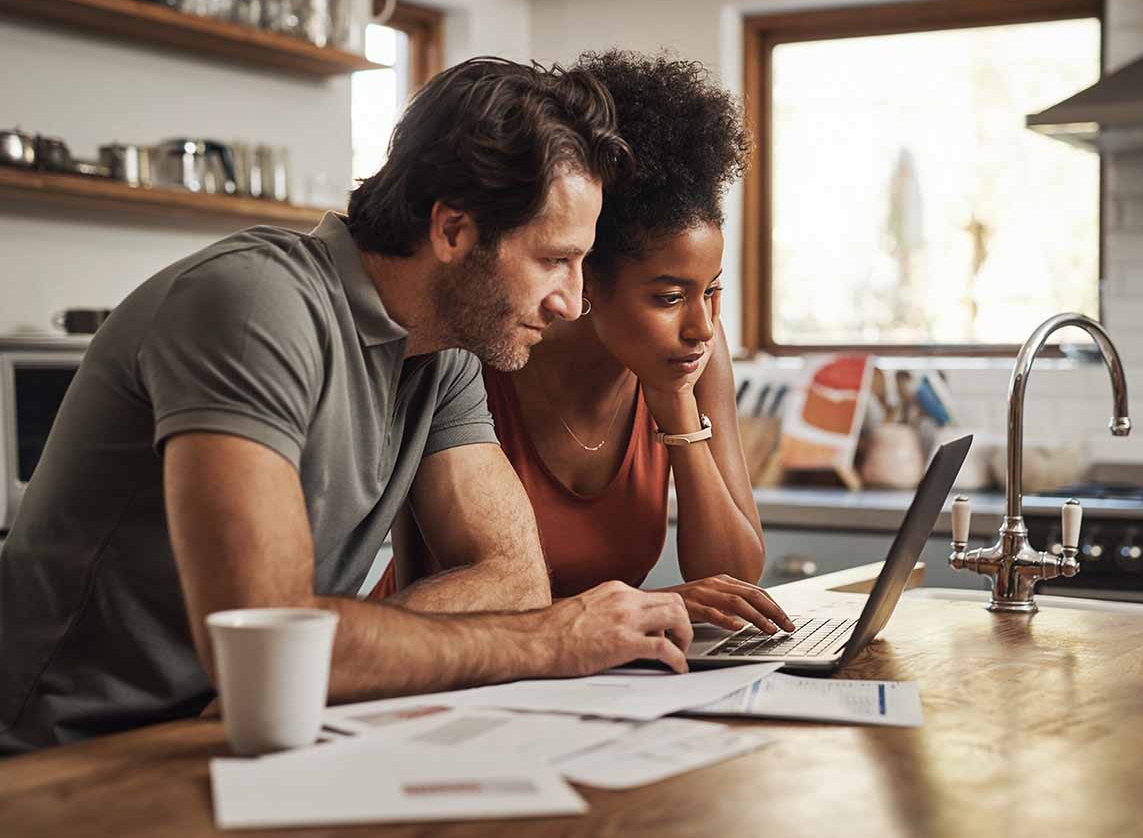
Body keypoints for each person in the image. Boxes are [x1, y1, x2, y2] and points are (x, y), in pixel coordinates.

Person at [0, 57, 694, 756]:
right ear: (453, 231)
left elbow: (513, 580)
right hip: (63, 757)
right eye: (553, 260)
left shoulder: (444, 353)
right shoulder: (255, 307)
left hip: (246, 734)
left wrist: (332, 650)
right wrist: (547, 640)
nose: (571, 302)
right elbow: (270, 644)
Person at [384, 51, 793, 637]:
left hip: (591, 668)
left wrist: (676, 405)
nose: (702, 326)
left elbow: (734, 576)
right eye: (668, 297)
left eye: (712, 291)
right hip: (442, 655)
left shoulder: (693, 354)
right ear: (587, 276)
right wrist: (648, 605)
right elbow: (446, 583)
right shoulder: (486, 347)